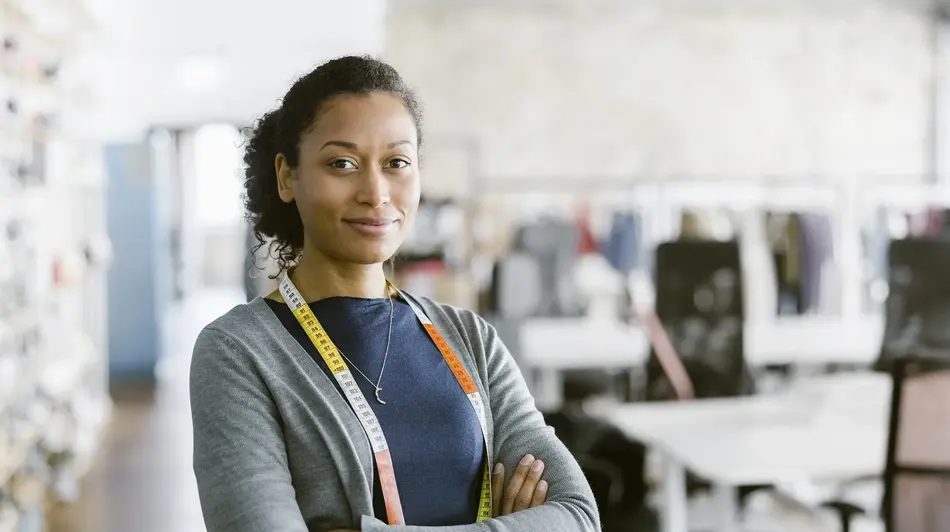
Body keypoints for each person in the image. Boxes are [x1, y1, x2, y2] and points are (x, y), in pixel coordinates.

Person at [189, 55, 599, 532]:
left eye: (396, 162)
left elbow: (576, 515)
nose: (375, 191)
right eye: (341, 163)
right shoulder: (237, 353)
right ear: (287, 176)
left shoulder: (471, 341)